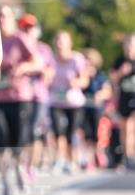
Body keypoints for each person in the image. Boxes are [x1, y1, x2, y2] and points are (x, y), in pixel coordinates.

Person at [0, 5, 41, 195]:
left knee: (18, 140)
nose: (2, 19)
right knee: (0, 141)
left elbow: (37, 62)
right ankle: (5, 182)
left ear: (12, 18)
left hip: (19, 97)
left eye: (5, 15)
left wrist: (22, 68)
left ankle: (20, 169)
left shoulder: (19, 38)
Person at [17, 13, 55, 176]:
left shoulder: (43, 49)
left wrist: (30, 68)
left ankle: (31, 165)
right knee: (23, 130)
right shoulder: (16, 46)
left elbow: (49, 71)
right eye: (24, 28)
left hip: (38, 96)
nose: (27, 31)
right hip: (21, 95)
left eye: (30, 28)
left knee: (35, 130)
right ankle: (22, 163)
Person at [49, 30, 87, 173]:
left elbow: (85, 80)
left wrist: (76, 82)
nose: (60, 44)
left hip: (73, 102)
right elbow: (46, 78)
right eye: (57, 40)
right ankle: (60, 159)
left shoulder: (77, 59)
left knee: (72, 133)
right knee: (58, 131)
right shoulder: (52, 60)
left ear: (69, 43)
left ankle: (72, 160)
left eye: (63, 41)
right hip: (55, 101)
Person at [80, 48, 112, 170]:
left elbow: (107, 90)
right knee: (86, 135)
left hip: (96, 109)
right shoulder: (81, 74)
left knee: (97, 135)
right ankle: (89, 160)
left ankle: (98, 154)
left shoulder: (100, 75)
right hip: (83, 108)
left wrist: (99, 95)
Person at [109, 33, 135, 171]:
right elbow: (112, 79)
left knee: (131, 127)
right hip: (123, 99)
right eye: (127, 44)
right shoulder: (120, 61)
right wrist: (120, 73)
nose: (129, 47)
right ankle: (127, 157)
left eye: (132, 43)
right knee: (125, 129)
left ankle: (131, 156)